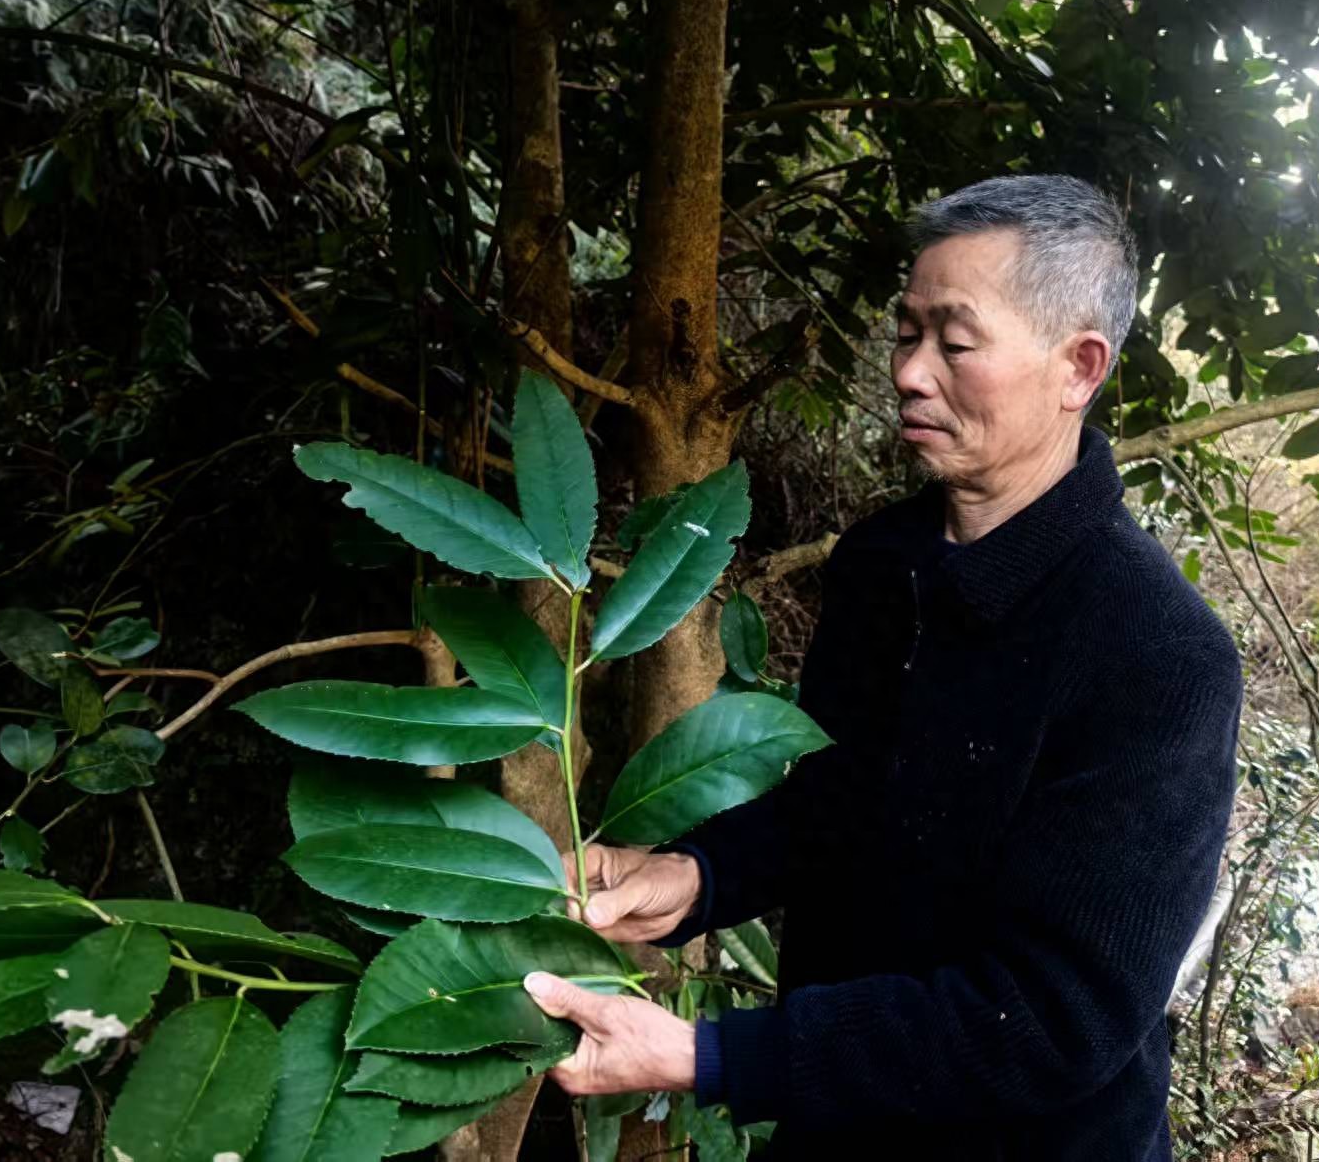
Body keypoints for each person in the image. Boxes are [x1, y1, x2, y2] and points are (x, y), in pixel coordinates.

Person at [524, 174, 1244, 1160]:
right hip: (840, 1127)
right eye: (906, 334)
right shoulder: (882, 564)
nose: (908, 371)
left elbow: (1053, 1019)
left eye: (954, 341)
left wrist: (713, 1056)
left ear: (1077, 367)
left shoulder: (1159, 655)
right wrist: (695, 877)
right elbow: (836, 806)